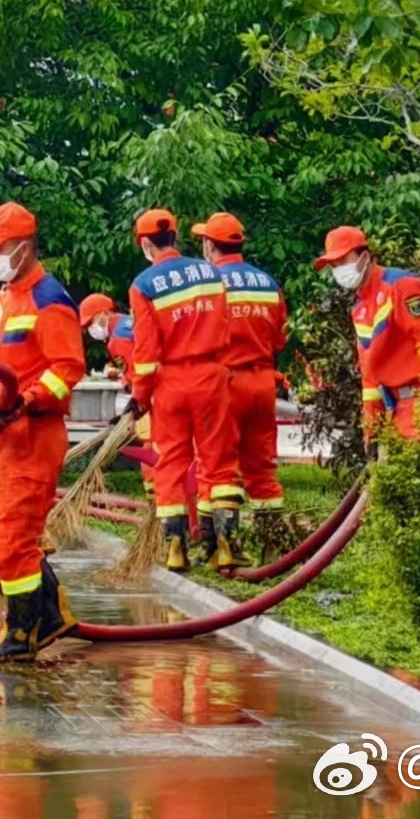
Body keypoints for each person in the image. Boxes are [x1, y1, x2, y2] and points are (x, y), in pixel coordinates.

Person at [0, 202, 86, 663]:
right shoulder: (9, 297)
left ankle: (20, 632)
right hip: (2, 434)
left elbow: (67, 370)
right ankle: (49, 613)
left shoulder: (49, 300)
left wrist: (25, 401)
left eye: (0, 248)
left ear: (25, 247)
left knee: (14, 535)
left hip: (33, 434)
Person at [125, 208, 240, 572]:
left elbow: (144, 353)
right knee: (218, 461)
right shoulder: (210, 272)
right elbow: (224, 323)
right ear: (175, 236)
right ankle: (225, 544)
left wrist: (140, 397)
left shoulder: (143, 284)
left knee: (170, 463)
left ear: (146, 244)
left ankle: (175, 548)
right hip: (212, 376)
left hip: (170, 384)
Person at [195, 212, 288, 515]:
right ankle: (271, 539)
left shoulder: (206, 283)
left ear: (210, 246)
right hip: (262, 384)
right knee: (262, 467)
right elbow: (280, 338)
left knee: (218, 468)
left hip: (224, 384)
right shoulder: (267, 283)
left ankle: (221, 547)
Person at [314, 225, 420, 445]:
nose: (338, 269)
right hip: (396, 409)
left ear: (365, 255)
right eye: (333, 265)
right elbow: (370, 375)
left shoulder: (401, 286)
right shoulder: (360, 309)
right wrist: (371, 427)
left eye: (343, 260)